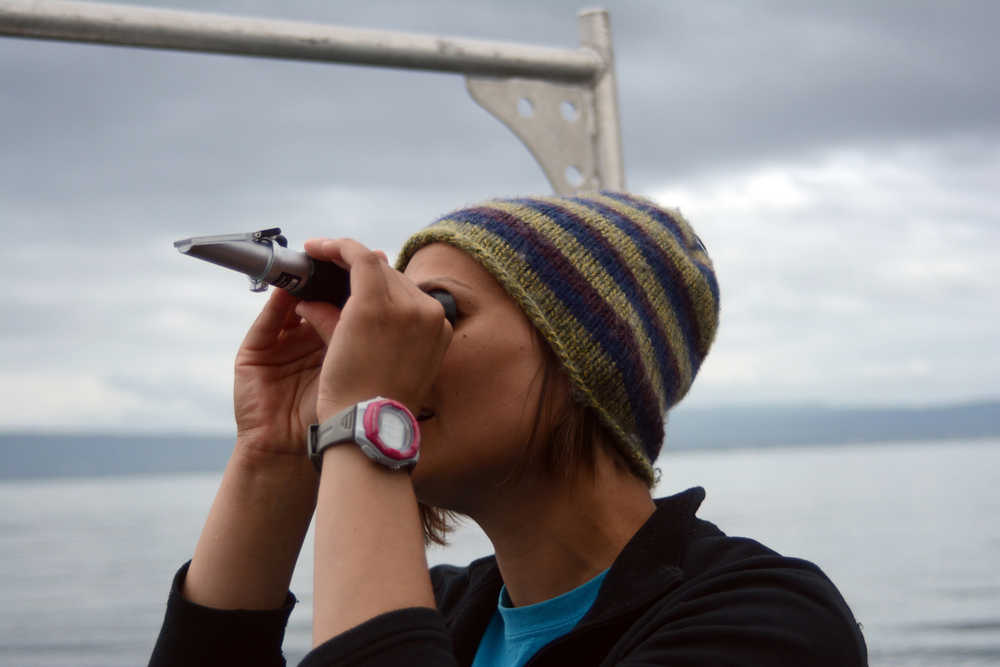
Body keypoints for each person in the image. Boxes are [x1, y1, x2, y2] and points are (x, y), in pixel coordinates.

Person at [149, 192, 868, 666]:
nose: (403, 344)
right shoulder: (437, 613)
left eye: (440, 310)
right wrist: (273, 450)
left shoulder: (766, 622)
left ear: (585, 362)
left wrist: (366, 414)